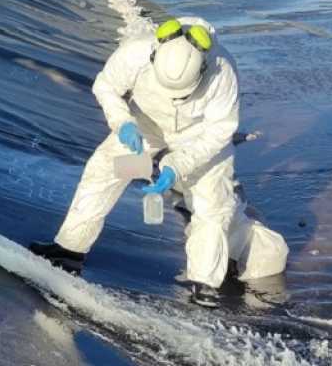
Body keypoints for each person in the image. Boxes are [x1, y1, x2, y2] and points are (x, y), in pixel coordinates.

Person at [30, 17, 288, 308]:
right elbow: (106, 86)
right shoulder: (135, 53)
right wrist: (123, 123)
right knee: (104, 172)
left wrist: (176, 166)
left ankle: (204, 283)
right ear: (154, 56)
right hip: (144, 130)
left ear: (203, 67)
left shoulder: (222, 71)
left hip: (198, 138)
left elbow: (220, 131)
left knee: (211, 203)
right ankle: (69, 251)